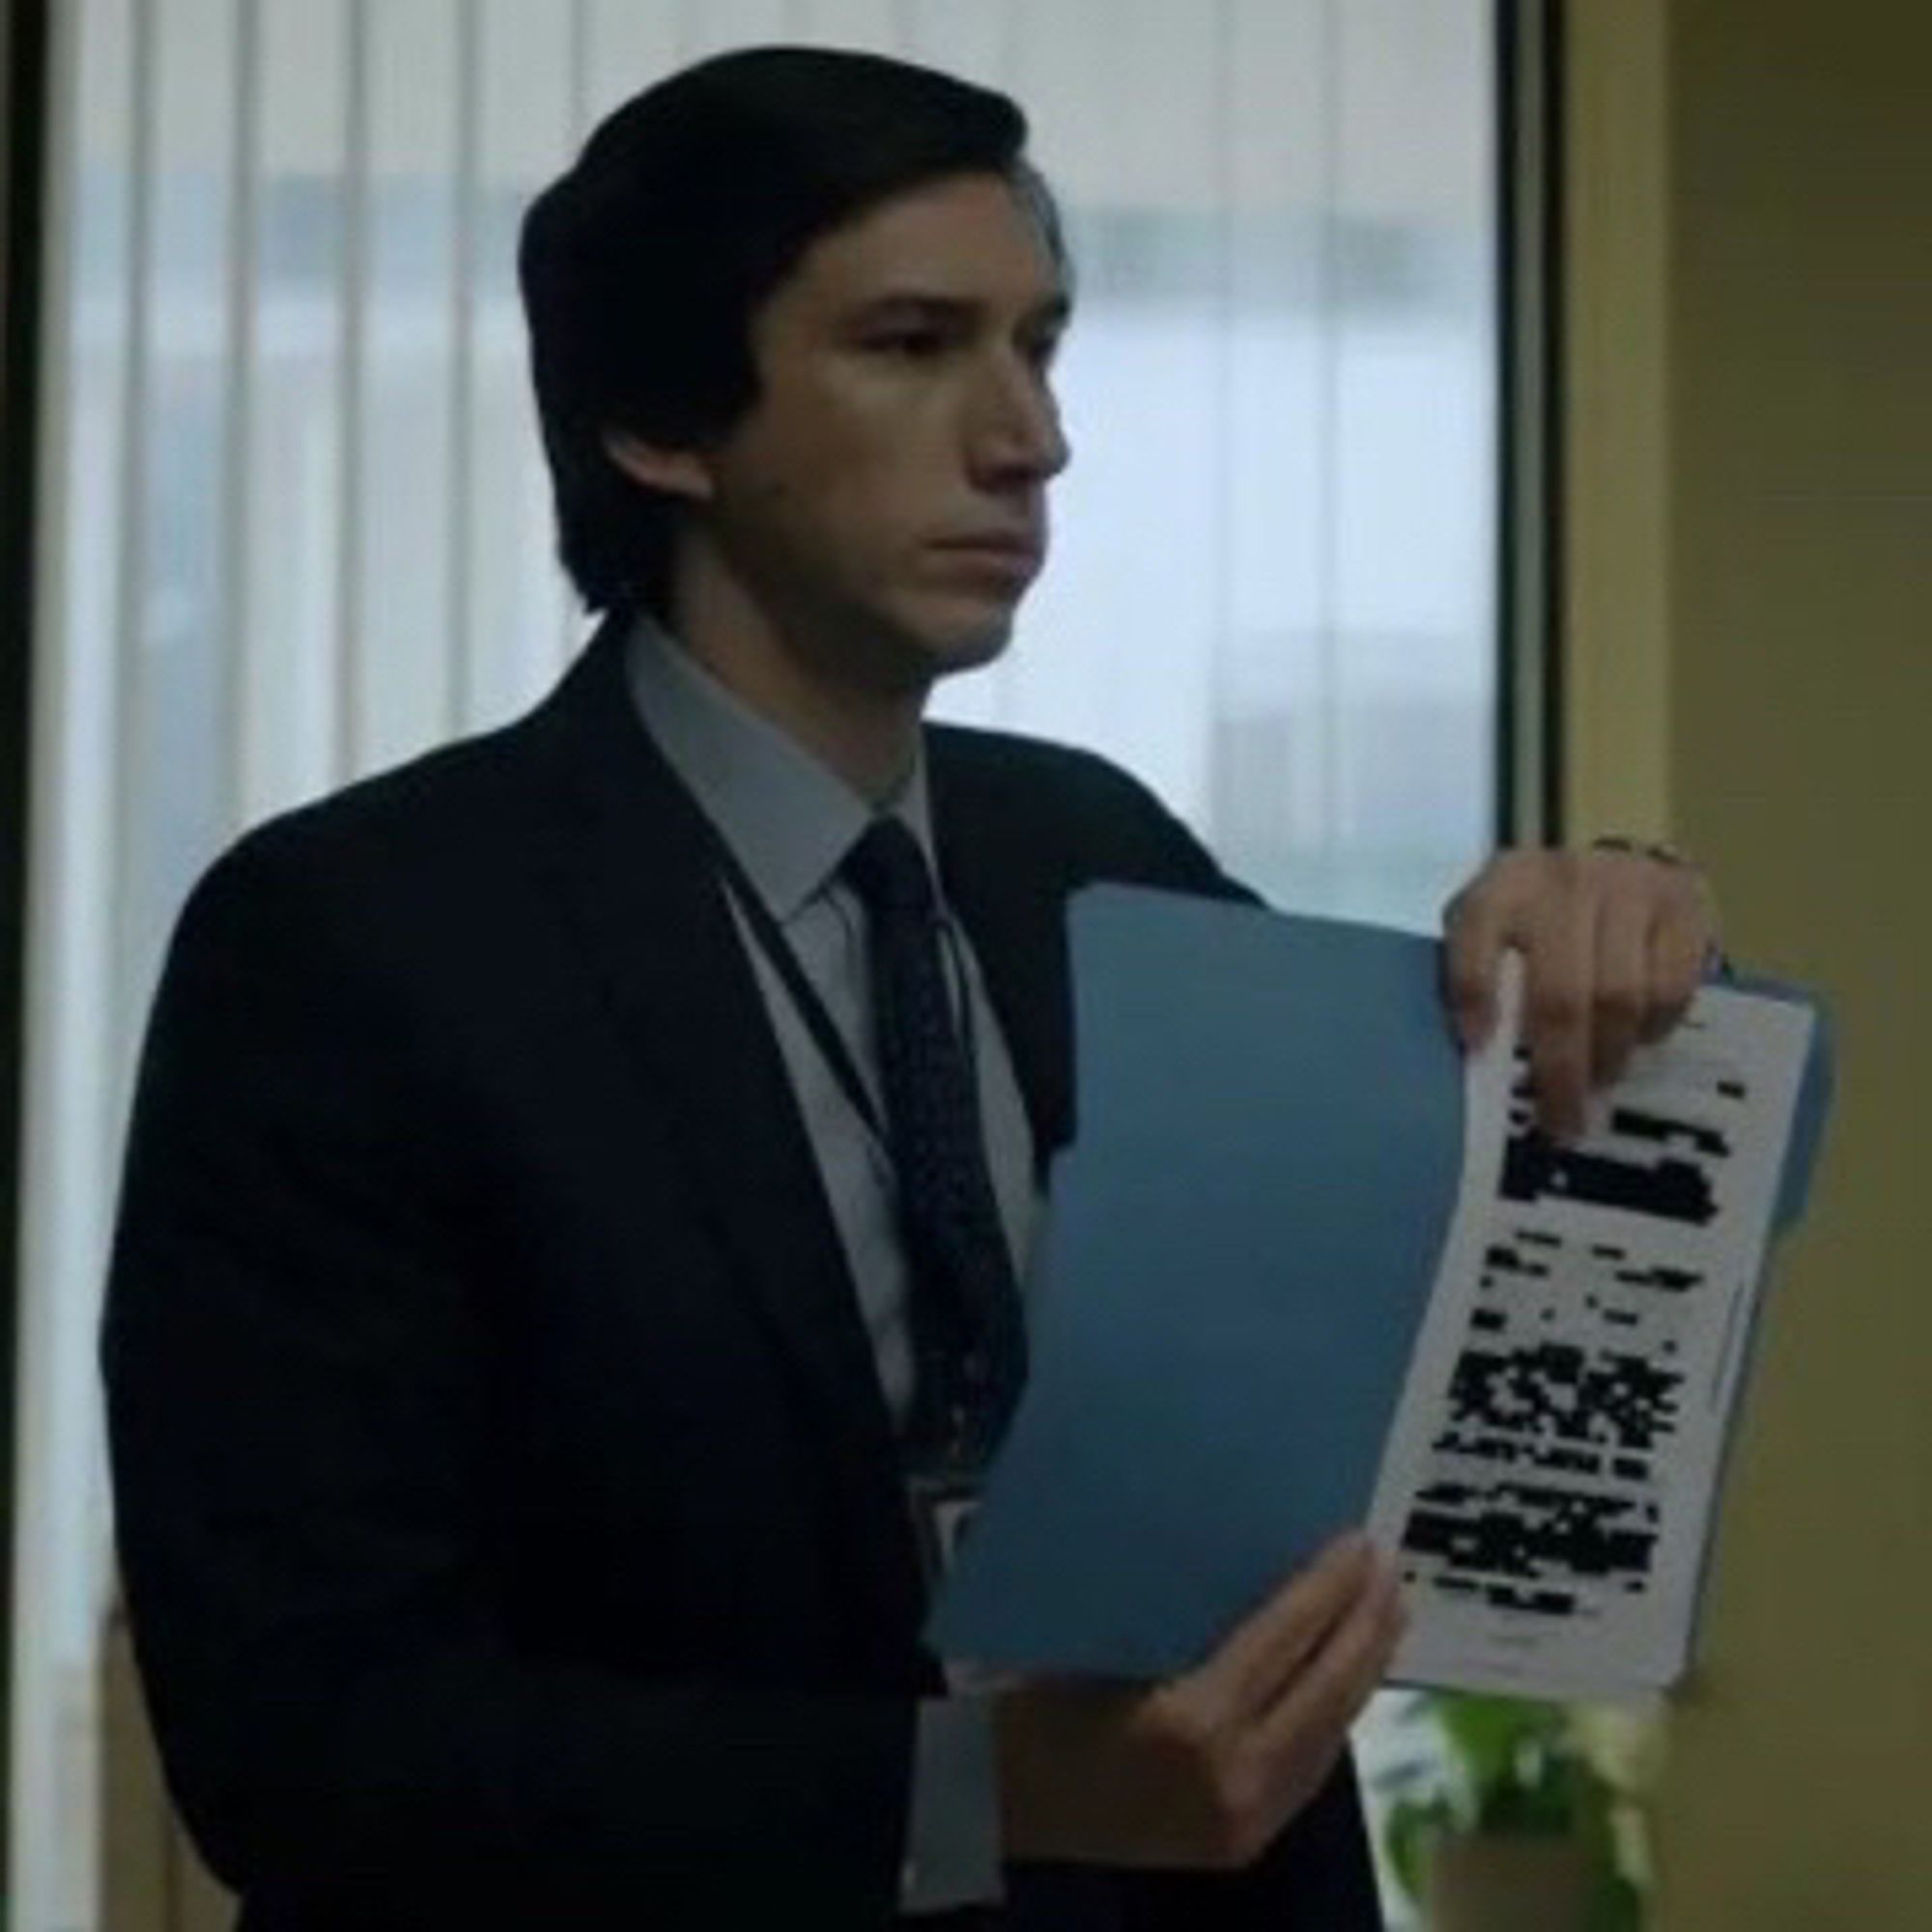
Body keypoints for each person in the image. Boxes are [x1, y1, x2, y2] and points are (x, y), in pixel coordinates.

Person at [100, 44, 1719, 1931]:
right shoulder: (350, 943)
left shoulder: (1098, 861)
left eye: (1039, 345)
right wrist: (973, 1796)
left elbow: (1420, 1357)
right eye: (912, 343)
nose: (1027, 435)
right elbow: (305, 1738)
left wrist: (1602, 930)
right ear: (658, 421)